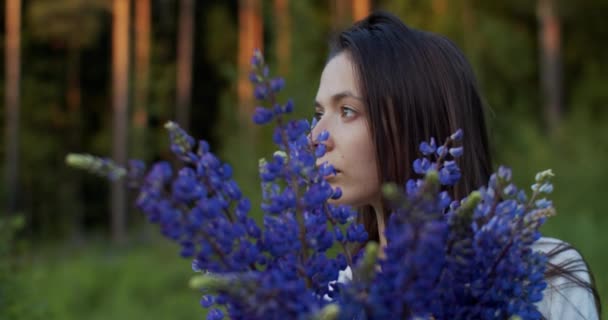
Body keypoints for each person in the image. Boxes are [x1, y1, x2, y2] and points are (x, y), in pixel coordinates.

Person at [311, 11, 600, 319]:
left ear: (418, 120)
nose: (315, 136)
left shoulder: (546, 274)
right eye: (319, 114)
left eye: (347, 111)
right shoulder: (341, 293)